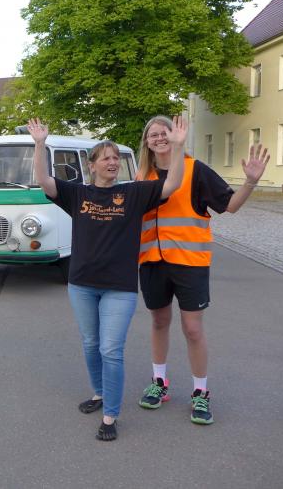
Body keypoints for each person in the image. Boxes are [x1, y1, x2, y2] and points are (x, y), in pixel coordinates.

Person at [28, 116, 187, 441]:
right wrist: (40, 145)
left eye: (116, 157)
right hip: (82, 284)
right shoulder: (78, 193)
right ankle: (99, 393)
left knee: (111, 349)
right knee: (91, 344)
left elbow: (172, 184)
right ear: (92, 166)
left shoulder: (134, 194)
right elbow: (44, 181)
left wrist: (179, 147)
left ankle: (110, 415)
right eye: (106, 158)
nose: (113, 162)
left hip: (119, 288)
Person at [136, 116, 269, 425]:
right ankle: (159, 383)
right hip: (152, 261)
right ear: (147, 142)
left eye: (165, 132)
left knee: (193, 329)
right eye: (153, 135)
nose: (160, 138)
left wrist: (250, 182)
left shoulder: (195, 169)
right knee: (159, 321)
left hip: (190, 263)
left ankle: (200, 392)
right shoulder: (142, 175)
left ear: (176, 136)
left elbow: (230, 206)